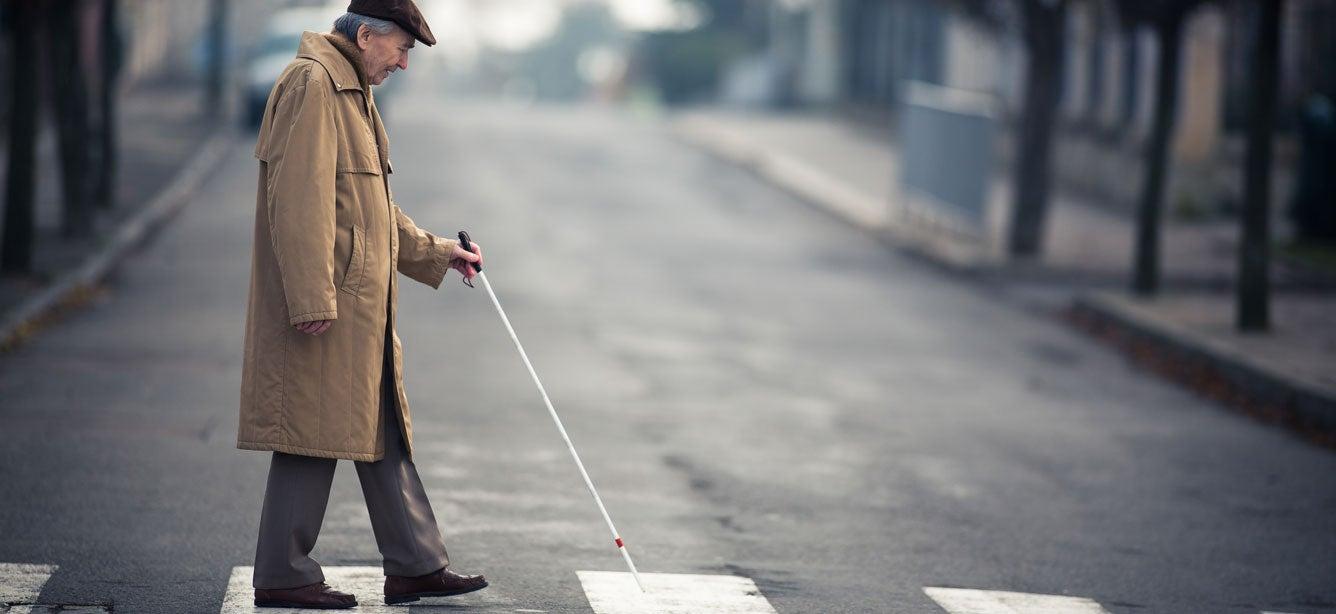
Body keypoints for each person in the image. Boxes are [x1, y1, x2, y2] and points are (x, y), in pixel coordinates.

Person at [236, 0, 486, 608]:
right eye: (401, 49)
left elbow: (368, 213)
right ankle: (283, 575)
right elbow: (297, 204)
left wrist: (437, 252)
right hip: (329, 306)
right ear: (367, 35)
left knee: (383, 432)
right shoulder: (314, 84)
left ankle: (416, 565)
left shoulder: (352, 91)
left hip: (361, 309)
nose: (403, 64)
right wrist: (310, 299)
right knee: (308, 435)